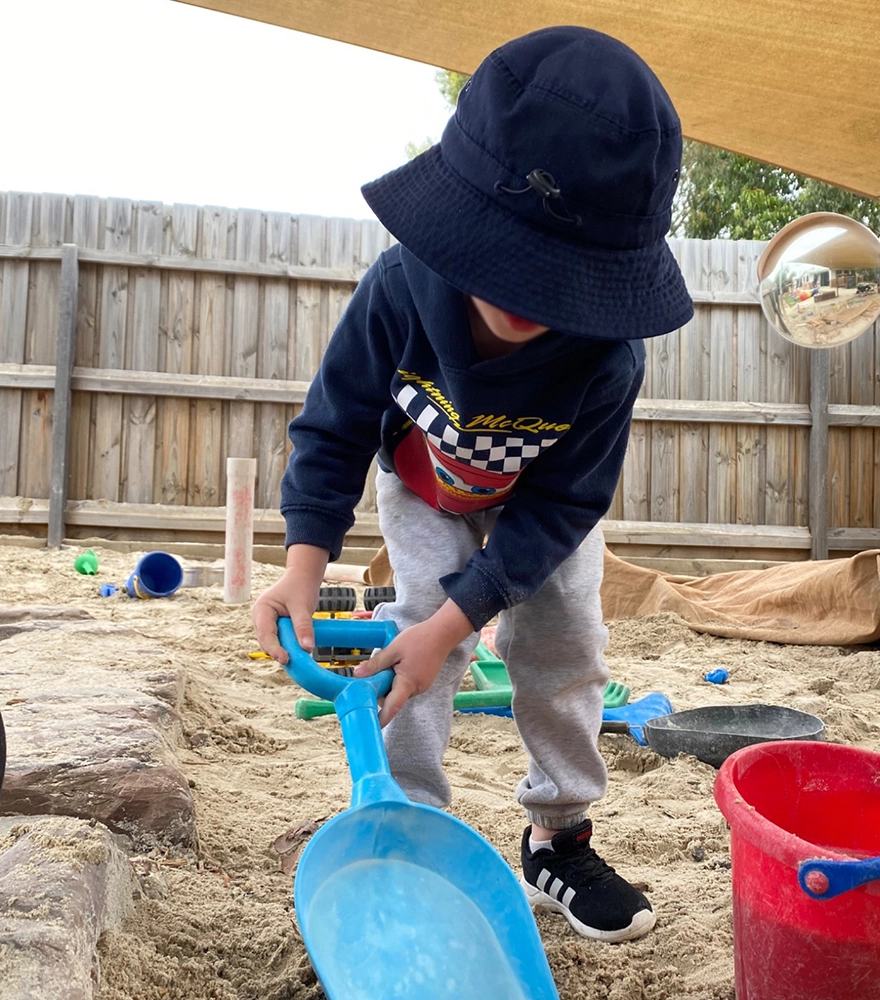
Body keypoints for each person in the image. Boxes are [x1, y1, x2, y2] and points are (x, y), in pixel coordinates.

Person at [253, 24, 693, 944]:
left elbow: (565, 507)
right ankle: (408, 822)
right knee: (416, 640)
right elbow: (333, 428)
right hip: (423, 486)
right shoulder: (398, 292)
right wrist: (303, 562)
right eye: (513, 257)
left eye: (560, 276)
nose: (528, 294)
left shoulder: (606, 359)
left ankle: (559, 838)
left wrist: (472, 612)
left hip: (540, 511)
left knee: (567, 640)